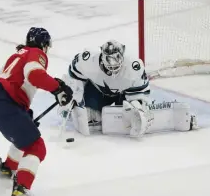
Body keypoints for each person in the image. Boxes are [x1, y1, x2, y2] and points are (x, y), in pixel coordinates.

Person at [0, 27, 73, 196]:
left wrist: (23, 113)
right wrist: (57, 88)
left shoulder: (17, 55)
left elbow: (11, 83)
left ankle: (8, 168)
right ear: (44, 44)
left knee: (26, 135)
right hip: (6, 104)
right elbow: (34, 75)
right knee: (36, 146)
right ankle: (20, 192)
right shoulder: (35, 52)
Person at [59, 39, 198, 138]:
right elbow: (74, 78)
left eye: (116, 65)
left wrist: (138, 106)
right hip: (97, 93)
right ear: (102, 57)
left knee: (132, 111)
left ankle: (136, 114)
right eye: (109, 65)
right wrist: (74, 99)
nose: (113, 69)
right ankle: (91, 112)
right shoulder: (88, 60)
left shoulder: (134, 66)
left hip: (122, 95)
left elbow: (139, 94)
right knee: (89, 113)